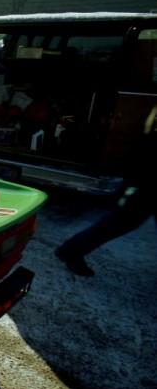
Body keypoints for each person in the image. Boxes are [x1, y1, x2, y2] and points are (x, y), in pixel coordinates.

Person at [55, 106, 157, 277]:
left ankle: (71, 250)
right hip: (147, 181)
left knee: (120, 222)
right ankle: (71, 250)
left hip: (144, 180)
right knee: (119, 222)